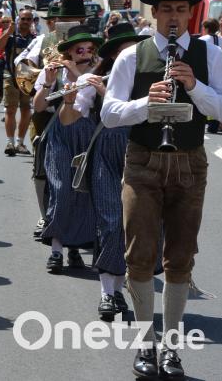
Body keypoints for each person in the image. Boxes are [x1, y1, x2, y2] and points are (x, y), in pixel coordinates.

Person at [102, 0, 222, 379]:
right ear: (154, 13)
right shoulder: (131, 55)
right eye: (166, 9)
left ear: (191, 13)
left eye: (181, 9)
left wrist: (194, 88)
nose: (174, 16)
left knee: (180, 257)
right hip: (143, 160)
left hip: (190, 161)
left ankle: (171, 348)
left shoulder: (210, 54)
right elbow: (108, 115)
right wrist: (145, 102)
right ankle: (145, 344)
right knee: (138, 254)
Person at [60, 23, 148, 321]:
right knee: (110, 221)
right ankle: (107, 294)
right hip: (109, 151)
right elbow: (68, 119)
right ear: (113, 56)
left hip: (143, 149)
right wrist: (72, 95)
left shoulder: (152, 77)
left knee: (135, 227)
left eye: (135, 51)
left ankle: (122, 288)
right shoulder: (94, 79)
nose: (131, 57)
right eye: (124, 52)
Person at [35, 26, 102, 273]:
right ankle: (56, 249)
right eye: (79, 49)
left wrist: (77, 74)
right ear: (70, 52)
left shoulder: (99, 72)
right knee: (61, 190)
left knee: (83, 193)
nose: (85, 53)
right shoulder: (55, 71)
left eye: (89, 49)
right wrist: (49, 83)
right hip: (61, 135)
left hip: (88, 134)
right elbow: (39, 106)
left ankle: (74, 248)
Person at [0, 12, 35, 156]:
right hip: (10, 75)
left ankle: (20, 142)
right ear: (18, 20)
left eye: (28, 19)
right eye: (23, 19)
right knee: (10, 109)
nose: (25, 21)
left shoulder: (34, 40)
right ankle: (10, 142)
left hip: (28, 78)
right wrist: (7, 32)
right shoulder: (11, 37)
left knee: (25, 110)